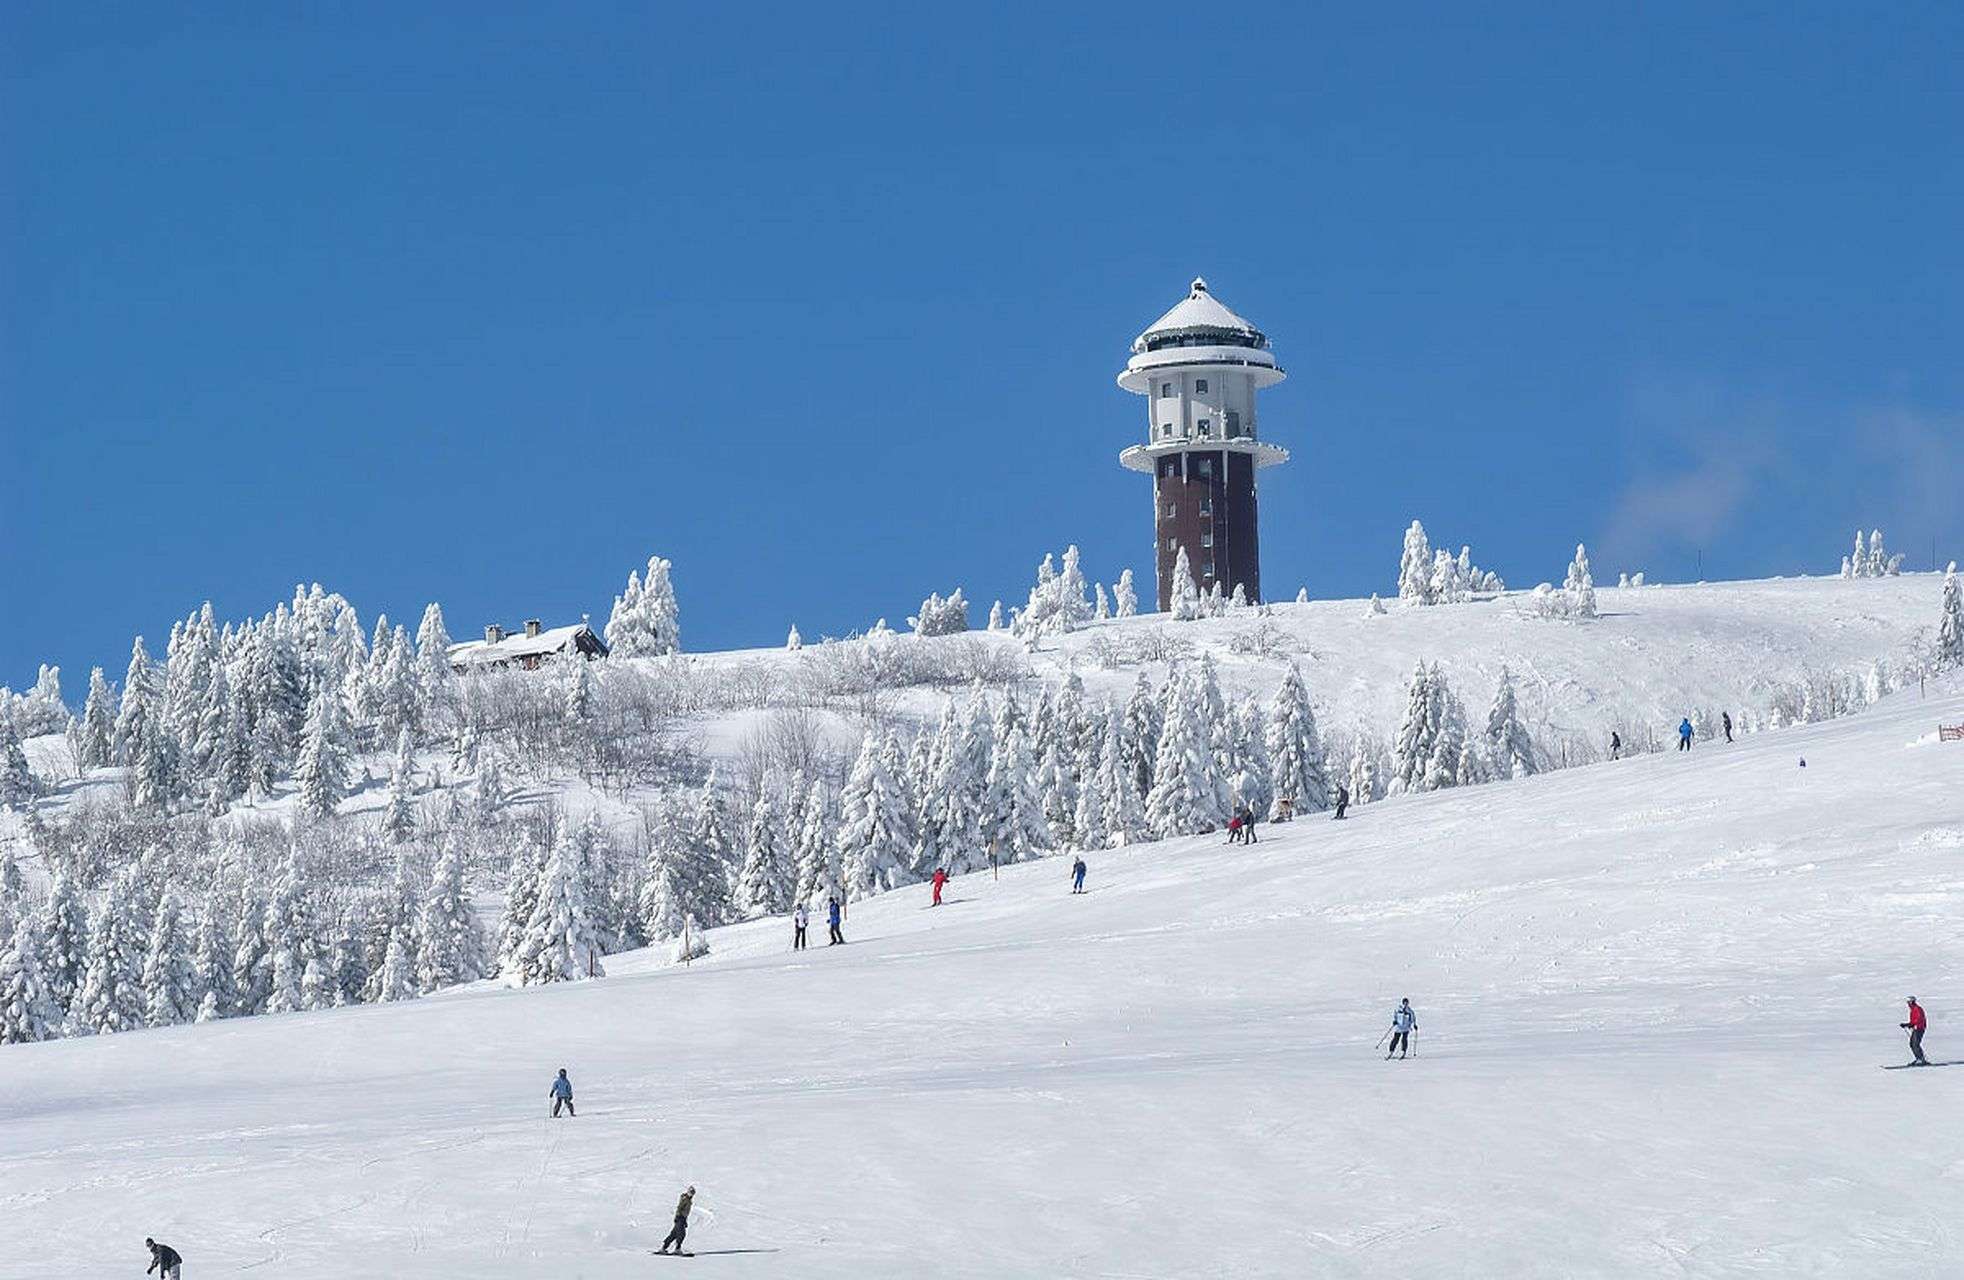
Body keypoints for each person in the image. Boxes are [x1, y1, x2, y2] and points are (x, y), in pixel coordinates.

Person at [658, 1185, 696, 1254]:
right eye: (691, 1192)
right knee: (681, 1234)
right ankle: (677, 1248)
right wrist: (679, 1217)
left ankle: (664, 1248)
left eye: (693, 1193)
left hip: (682, 1218)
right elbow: (679, 1208)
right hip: (680, 1218)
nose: (692, 1194)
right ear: (688, 1192)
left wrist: (684, 1220)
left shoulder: (688, 1199)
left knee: (674, 1234)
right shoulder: (685, 1199)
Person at [1902, 997, 1930, 1065]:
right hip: (1916, 1028)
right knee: (1912, 1044)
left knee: (1915, 1044)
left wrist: (1910, 1024)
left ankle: (1921, 1059)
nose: (1908, 1004)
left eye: (1909, 1002)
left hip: (1919, 1028)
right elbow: (1914, 1020)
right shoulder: (1913, 1009)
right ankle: (1919, 1058)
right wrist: (1909, 1024)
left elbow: (1919, 1019)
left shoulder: (1917, 1009)